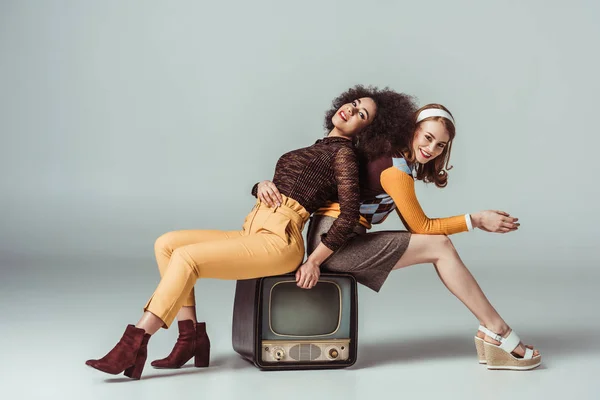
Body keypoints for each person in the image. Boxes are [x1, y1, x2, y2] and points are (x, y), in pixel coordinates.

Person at [85, 85, 417, 379]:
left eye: (362, 114)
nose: (351, 109)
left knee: (187, 258)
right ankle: (191, 339)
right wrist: (259, 185)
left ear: (366, 131)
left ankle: (134, 343)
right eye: (354, 102)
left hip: (278, 241)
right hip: (253, 229)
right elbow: (291, 184)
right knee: (167, 244)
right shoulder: (316, 148)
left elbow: (347, 216)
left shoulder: (344, 154)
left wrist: (314, 261)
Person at [255, 103, 542, 371]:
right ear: (412, 130)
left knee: (440, 246)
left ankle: (493, 330)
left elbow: (413, 225)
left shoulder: (394, 158)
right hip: (334, 244)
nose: (431, 149)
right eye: (427, 138)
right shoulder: (395, 169)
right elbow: (422, 227)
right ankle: (497, 331)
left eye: (440, 145)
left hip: (331, 237)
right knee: (440, 245)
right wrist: (476, 220)